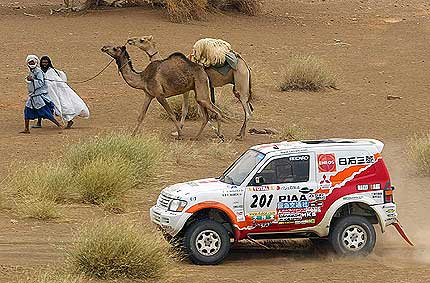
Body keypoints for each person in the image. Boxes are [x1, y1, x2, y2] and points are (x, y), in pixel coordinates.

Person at [34, 55, 90, 129]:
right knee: (39, 106)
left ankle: (69, 120)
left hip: (53, 94)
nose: (45, 64)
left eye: (46, 63)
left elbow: (56, 82)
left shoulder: (51, 71)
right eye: (43, 62)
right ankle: (39, 122)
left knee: (60, 107)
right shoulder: (39, 71)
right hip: (43, 93)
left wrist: (48, 84)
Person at [21, 55, 61, 134]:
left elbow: (41, 83)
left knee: (45, 112)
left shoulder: (38, 71)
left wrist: (32, 80)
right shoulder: (31, 71)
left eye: (32, 62)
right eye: (30, 62)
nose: (31, 63)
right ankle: (26, 129)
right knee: (27, 111)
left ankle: (59, 125)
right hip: (32, 96)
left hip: (38, 96)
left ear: (36, 62)